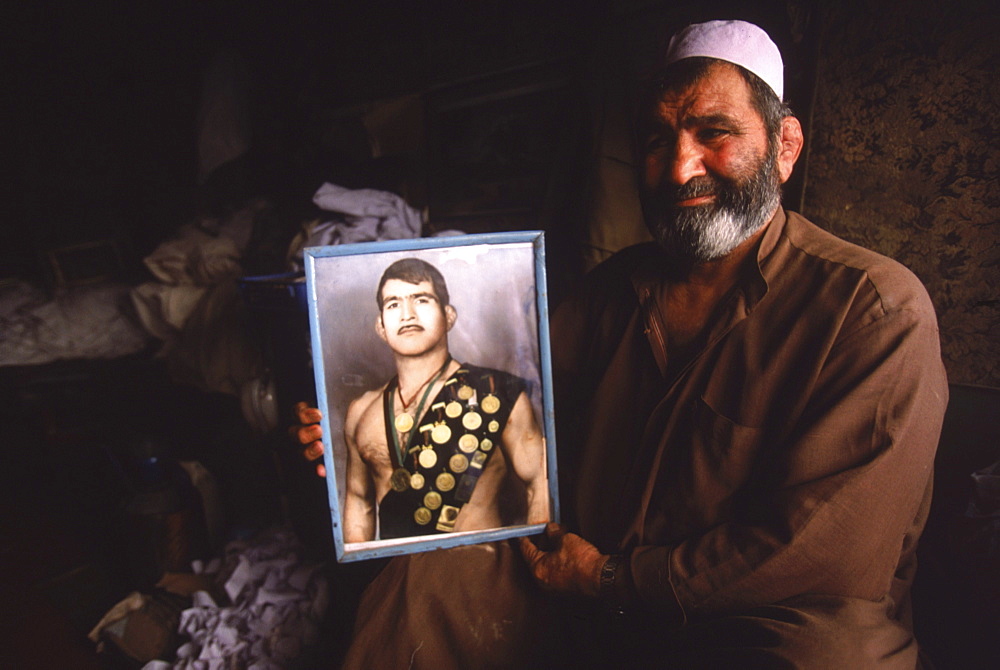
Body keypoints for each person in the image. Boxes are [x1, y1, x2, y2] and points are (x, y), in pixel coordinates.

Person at [298, 20, 948, 669]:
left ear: (784, 146)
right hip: (587, 589)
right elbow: (495, 410)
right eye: (657, 140)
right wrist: (387, 442)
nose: (679, 167)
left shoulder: (873, 312)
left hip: (751, 620)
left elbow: (814, 554)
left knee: (827, 656)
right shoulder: (612, 290)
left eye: (713, 134)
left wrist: (611, 578)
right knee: (427, 583)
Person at [308, 257, 548, 542]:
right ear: (380, 326)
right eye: (393, 304)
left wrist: (535, 567)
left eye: (421, 299)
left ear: (449, 316)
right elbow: (359, 502)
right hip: (400, 576)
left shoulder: (497, 394)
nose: (407, 314)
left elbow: (540, 486)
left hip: (480, 572)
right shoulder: (360, 411)